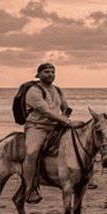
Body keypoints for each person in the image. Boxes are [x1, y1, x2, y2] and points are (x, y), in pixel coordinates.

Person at [22, 63, 82, 204]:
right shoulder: (33, 91)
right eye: (46, 72)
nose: (50, 74)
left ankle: (83, 177)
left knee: (79, 141)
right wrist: (66, 122)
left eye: (52, 72)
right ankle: (30, 189)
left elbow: (65, 107)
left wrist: (68, 118)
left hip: (56, 125)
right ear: (39, 74)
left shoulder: (58, 90)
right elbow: (46, 112)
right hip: (37, 127)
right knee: (32, 152)